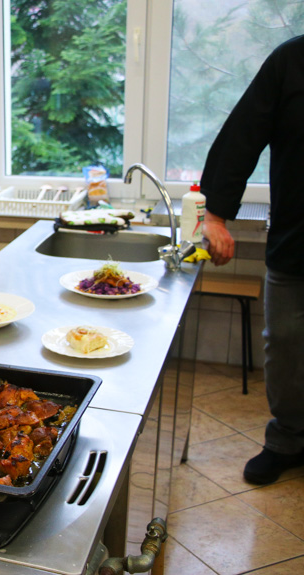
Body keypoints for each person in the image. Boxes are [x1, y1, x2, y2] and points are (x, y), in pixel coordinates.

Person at [200, 34, 304, 485]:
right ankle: (287, 438)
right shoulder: (292, 59)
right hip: (297, 241)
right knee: (283, 343)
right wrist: (217, 214)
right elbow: (243, 133)